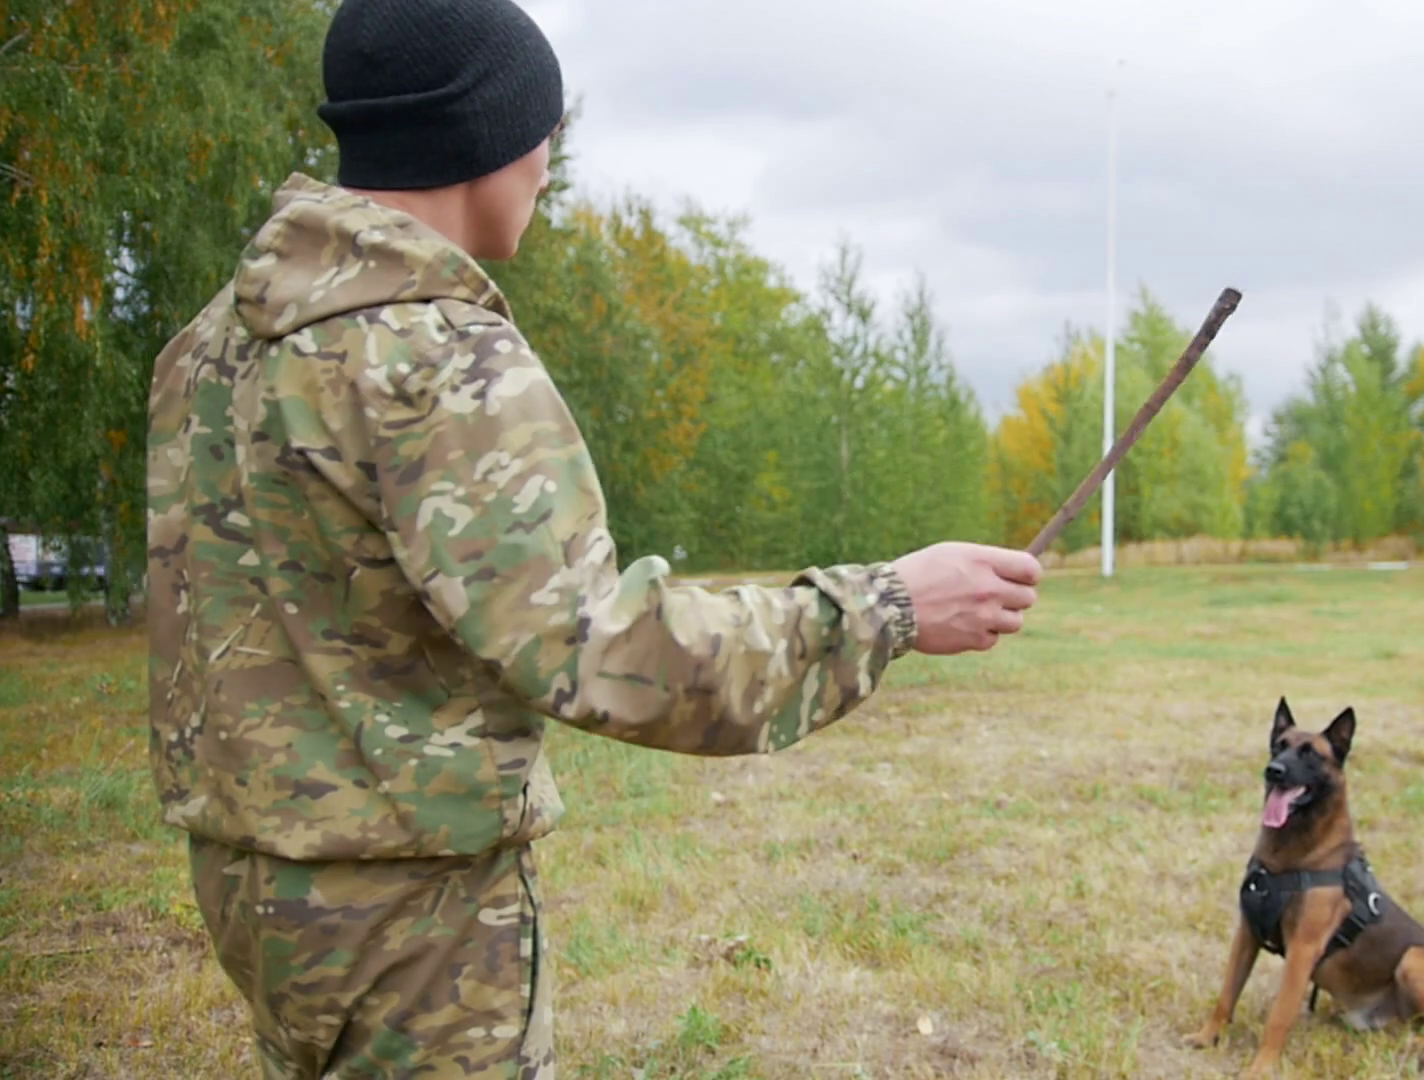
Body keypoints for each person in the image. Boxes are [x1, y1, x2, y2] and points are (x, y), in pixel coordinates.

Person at [144, 0, 1043, 1075]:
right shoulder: (440, 359)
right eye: (545, 129)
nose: (549, 162)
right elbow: (596, 646)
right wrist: (884, 608)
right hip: (410, 918)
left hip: (254, 886)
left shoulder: (210, 345)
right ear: (485, 137)